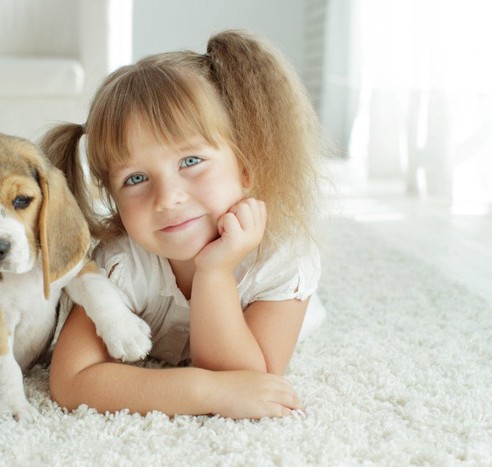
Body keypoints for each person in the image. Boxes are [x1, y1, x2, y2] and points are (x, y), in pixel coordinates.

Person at [41, 30, 326, 420]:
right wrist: (203, 390)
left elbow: (252, 380)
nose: (167, 197)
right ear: (112, 198)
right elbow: (72, 381)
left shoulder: (282, 257)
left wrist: (215, 272)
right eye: (136, 179)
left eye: (190, 161)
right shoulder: (122, 264)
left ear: (246, 165)